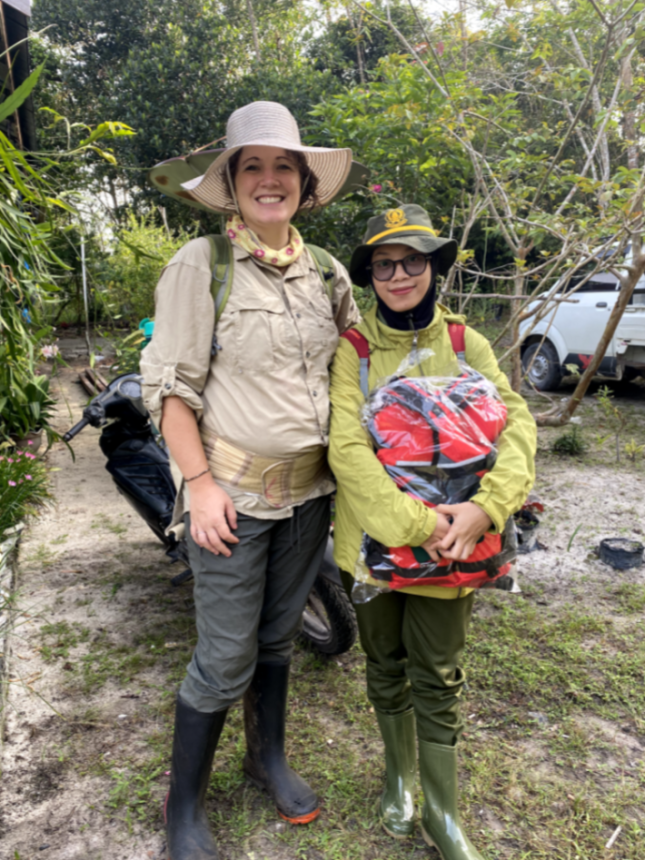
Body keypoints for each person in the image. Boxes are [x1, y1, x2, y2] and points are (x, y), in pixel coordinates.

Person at [140, 101, 360, 860]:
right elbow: (172, 390)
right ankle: (185, 808)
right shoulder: (202, 266)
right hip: (229, 496)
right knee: (226, 654)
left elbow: (355, 371)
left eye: (283, 166)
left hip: (311, 496)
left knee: (275, 638)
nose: (269, 179)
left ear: (304, 182)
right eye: (251, 167)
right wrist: (197, 484)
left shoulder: (326, 271)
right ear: (230, 184)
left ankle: (264, 758)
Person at [328, 205, 536, 860]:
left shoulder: (467, 343)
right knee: (383, 663)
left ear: (433, 268)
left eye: (412, 261)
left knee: (438, 673)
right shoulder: (354, 350)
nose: (398, 275)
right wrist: (416, 523)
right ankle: (398, 780)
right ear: (369, 275)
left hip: (456, 548)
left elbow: (515, 423)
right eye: (384, 264)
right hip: (375, 545)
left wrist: (487, 508)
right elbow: (346, 447)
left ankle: (442, 814)